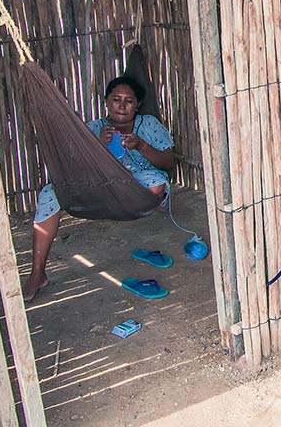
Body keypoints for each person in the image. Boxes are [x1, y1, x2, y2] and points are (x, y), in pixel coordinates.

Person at [23, 75, 177, 301]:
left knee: (156, 182)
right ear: (106, 101)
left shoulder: (149, 124)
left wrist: (141, 145)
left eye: (129, 101)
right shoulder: (92, 129)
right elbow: (72, 169)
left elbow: (169, 163)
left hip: (136, 189)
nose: (122, 106)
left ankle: (128, 204)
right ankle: (37, 273)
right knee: (49, 193)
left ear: (138, 105)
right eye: (116, 100)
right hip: (100, 190)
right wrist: (99, 145)